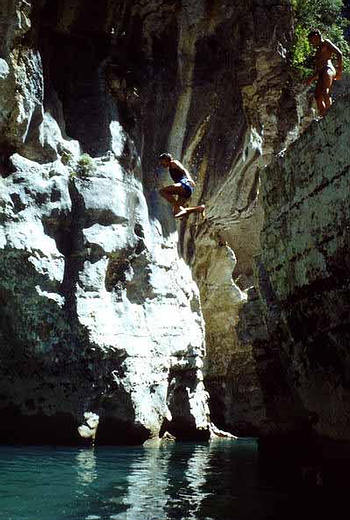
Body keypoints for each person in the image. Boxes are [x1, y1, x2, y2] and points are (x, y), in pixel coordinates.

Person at [306, 29, 343, 117]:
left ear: (317, 36)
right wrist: (311, 78)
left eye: (312, 39)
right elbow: (318, 69)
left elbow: (339, 53)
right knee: (317, 96)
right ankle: (323, 115)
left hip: (328, 69)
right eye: (311, 41)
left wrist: (339, 71)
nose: (312, 42)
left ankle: (331, 114)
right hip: (321, 72)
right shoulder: (317, 51)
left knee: (326, 91)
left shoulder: (326, 42)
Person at [158, 153, 205, 218]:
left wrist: (190, 179)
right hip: (186, 191)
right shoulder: (170, 166)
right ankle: (199, 208)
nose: (161, 164)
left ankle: (177, 206)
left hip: (184, 184)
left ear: (166, 160)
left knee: (162, 191)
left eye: (162, 162)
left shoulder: (173, 163)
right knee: (176, 214)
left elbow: (184, 170)